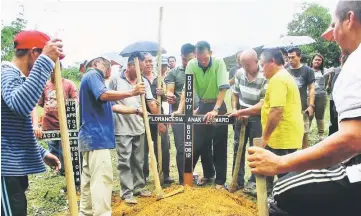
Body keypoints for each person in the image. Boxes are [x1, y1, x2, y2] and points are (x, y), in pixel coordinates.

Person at [247, 1, 361, 215]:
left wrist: (279, 162)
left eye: (334, 24)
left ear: (350, 19)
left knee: (283, 190)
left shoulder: (356, 64)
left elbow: (352, 139)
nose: (331, 35)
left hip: (289, 138)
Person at [1, 30, 62, 216]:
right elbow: (21, 105)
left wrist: (42, 152)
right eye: (51, 61)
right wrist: (45, 61)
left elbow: (11, 129)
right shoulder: (5, 73)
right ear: (35, 53)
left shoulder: (17, 78)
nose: (52, 68)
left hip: (11, 168)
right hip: (4, 170)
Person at [78, 56, 145, 216]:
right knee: (101, 180)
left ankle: (86, 213)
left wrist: (136, 111)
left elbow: (113, 107)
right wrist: (131, 92)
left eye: (110, 67)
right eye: (105, 65)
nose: (108, 69)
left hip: (91, 138)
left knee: (89, 181)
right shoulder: (93, 75)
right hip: (97, 137)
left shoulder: (94, 82)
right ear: (94, 64)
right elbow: (104, 95)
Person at [230, 48, 303, 193]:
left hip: (283, 136)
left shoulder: (278, 80)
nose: (262, 70)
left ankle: (284, 204)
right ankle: (269, 197)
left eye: (263, 65)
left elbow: (276, 111)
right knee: (271, 169)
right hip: (282, 134)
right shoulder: (281, 77)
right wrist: (240, 111)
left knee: (285, 176)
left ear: (272, 62)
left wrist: (265, 137)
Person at [174, 41, 229, 190]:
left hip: (218, 105)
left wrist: (216, 110)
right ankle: (193, 177)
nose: (203, 61)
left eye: (205, 58)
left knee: (219, 145)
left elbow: (223, 88)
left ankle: (220, 181)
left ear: (210, 53)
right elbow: (187, 89)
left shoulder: (219, 63)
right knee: (199, 143)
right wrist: (181, 109)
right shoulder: (192, 65)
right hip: (203, 105)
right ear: (196, 56)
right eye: (200, 59)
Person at [109, 52, 157, 204]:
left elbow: (150, 102)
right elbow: (111, 104)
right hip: (122, 127)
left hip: (139, 127)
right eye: (139, 68)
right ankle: (127, 192)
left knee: (138, 160)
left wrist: (157, 113)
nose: (142, 71)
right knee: (124, 161)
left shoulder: (143, 81)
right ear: (129, 66)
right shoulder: (116, 80)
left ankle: (138, 187)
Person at [231, 49, 267, 196]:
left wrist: (246, 112)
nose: (245, 68)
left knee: (256, 150)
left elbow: (263, 103)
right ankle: (237, 180)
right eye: (242, 64)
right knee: (237, 147)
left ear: (256, 61)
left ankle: (253, 181)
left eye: (247, 64)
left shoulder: (265, 75)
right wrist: (235, 109)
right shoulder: (239, 73)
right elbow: (235, 93)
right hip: (240, 114)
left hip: (257, 116)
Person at [165, 43, 200, 184]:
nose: (188, 63)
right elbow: (170, 90)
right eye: (185, 60)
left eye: (191, 59)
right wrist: (169, 95)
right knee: (181, 147)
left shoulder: (199, 70)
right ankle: (183, 179)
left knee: (196, 146)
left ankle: (191, 173)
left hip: (198, 114)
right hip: (179, 116)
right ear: (181, 57)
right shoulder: (173, 73)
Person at [37, 62, 78, 176]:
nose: (52, 72)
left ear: (61, 69)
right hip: (49, 123)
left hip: (64, 123)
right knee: (53, 146)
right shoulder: (45, 85)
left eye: (55, 69)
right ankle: (57, 168)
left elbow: (75, 101)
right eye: (50, 69)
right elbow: (41, 103)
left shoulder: (69, 84)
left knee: (66, 147)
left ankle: (67, 169)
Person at [142, 53, 172, 184]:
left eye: (150, 61)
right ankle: (143, 175)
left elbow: (167, 98)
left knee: (164, 145)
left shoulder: (159, 79)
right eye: (146, 61)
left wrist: (163, 94)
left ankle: (165, 174)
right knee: (143, 148)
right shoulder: (138, 78)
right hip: (143, 116)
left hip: (160, 115)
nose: (149, 64)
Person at [287, 47, 315, 149]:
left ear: (300, 57)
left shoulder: (308, 70)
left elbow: (311, 88)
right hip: (289, 109)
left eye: (293, 57)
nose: (290, 60)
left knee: (304, 134)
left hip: (303, 107)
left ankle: (304, 160)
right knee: (290, 136)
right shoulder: (285, 71)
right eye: (288, 58)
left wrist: (311, 105)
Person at [308, 54, 327, 141]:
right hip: (308, 96)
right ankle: (306, 134)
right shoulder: (307, 71)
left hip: (321, 96)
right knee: (308, 115)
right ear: (312, 60)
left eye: (319, 60)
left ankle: (321, 135)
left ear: (322, 62)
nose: (317, 61)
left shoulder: (324, 71)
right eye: (316, 59)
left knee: (320, 116)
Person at [328, 54, 348, 135]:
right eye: (343, 57)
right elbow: (330, 86)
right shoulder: (335, 70)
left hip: (346, 100)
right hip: (334, 100)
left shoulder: (353, 70)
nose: (345, 58)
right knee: (334, 121)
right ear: (340, 59)